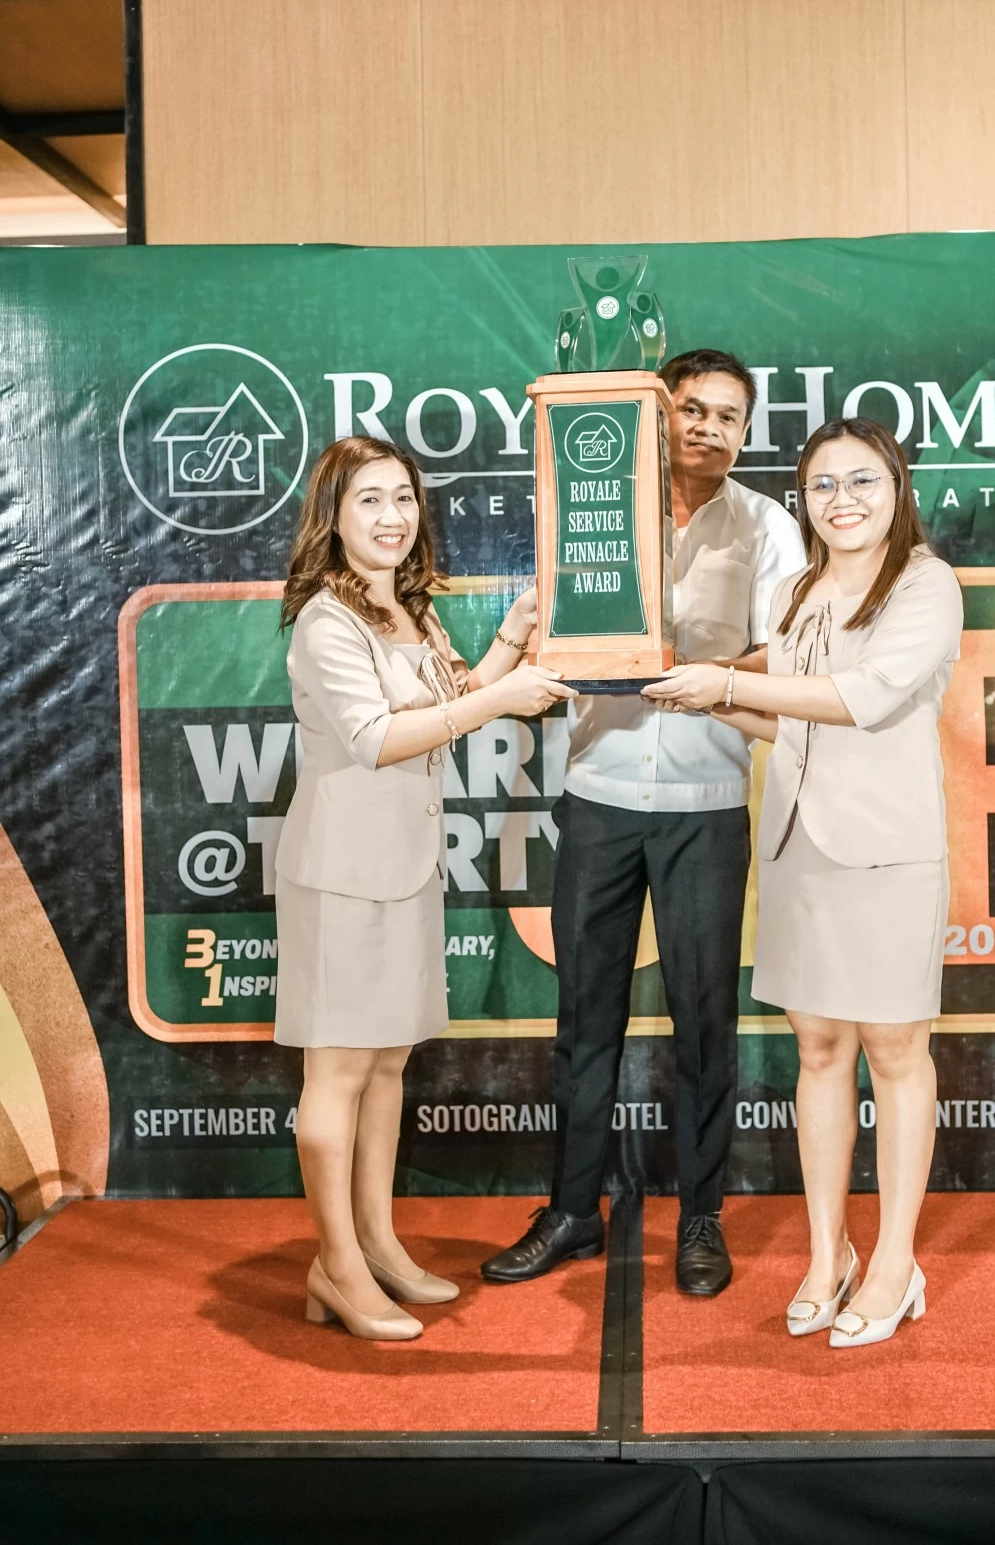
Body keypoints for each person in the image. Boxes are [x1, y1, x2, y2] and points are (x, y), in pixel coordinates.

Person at [481, 350, 806, 1296]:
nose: (708, 427)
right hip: (600, 795)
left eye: (728, 416)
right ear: (657, 417)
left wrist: (706, 672)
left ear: (745, 432)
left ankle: (701, 1217)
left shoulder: (768, 526)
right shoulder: (594, 510)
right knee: (585, 1018)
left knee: (707, 1022)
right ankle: (572, 1210)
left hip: (709, 804)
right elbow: (552, 637)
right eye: (691, 408)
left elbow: (788, 654)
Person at [646, 416, 962, 1348]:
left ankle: (896, 1262)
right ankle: (829, 1256)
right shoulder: (793, 591)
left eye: (862, 480)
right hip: (797, 849)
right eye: (823, 484)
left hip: (889, 852)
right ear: (804, 499)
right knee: (818, 1049)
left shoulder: (926, 583)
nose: (842, 500)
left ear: (896, 488)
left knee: (895, 1052)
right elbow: (792, 725)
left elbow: (862, 699)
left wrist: (724, 684)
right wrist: (678, 687)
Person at [275, 436, 566, 1342]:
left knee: (388, 1062)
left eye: (403, 497)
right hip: (341, 874)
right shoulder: (328, 619)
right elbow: (376, 737)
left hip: (406, 867)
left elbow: (450, 703)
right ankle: (335, 1265)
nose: (393, 516)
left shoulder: (408, 608)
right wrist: (503, 696)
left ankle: (377, 1245)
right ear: (333, 515)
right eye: (369, 499)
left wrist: (512, 636)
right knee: (338, 1070)